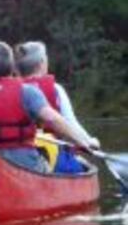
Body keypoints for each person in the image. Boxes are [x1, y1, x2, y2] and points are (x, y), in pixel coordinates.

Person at [0, 40, 97, 173]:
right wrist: (83, 142)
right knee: (54, 167)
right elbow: (53, 119)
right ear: (11, 65)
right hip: (24, 161)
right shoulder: (27, 91)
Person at [15, 41, 100, 173]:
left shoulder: (10, 90)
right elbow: (70, 122)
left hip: (19, 155)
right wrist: (89, 141)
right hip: (51, 156)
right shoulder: (56, 89)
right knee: (80, 166)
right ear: (41, 62)